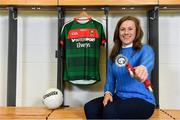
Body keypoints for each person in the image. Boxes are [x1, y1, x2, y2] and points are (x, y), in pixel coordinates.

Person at [84, 16, 156, 119]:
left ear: (137, 32)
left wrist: (142, 68)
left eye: (130, 29)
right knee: (90, 108)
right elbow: (110, 80)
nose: (126, 32)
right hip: (120, 97)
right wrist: (108, 93)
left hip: (143, 100)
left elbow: (147, 62)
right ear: (118, 32)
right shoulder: (114, 55)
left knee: (110, 111)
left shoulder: (145, 49)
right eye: (122, 29)